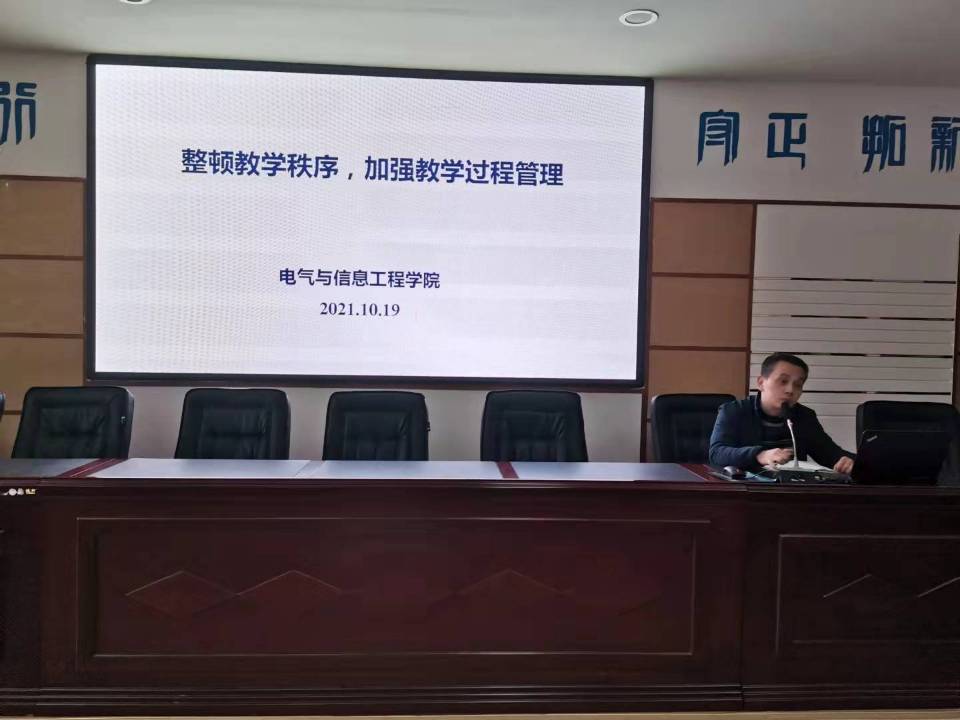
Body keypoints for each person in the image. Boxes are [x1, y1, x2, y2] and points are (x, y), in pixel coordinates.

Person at [709, 352, 855, 474]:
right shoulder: (734, 411)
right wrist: (760, 455)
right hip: (747, 489)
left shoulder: (804, 416)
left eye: (798, 385)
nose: (790, 390)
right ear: (761, 383)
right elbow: (717, 453)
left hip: (791, 490)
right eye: (783, 381)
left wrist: (852, 462)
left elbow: (830, 454)